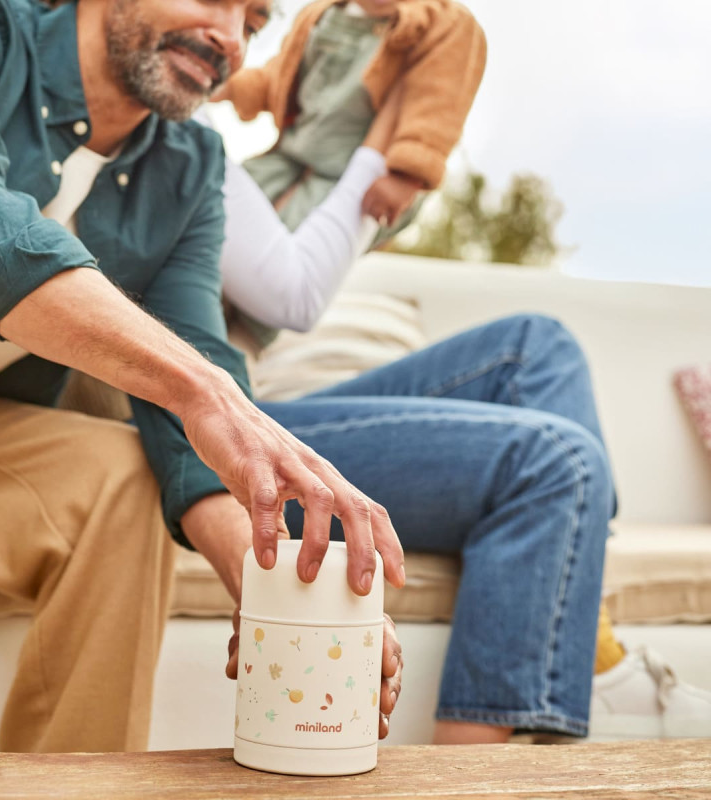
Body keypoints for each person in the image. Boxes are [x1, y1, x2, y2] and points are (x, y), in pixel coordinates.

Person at [0, 0, 407, 753]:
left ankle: (77, 788)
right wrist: (203, 390)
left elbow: (192, 383)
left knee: (123, 478)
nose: (229, 39)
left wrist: (274, 584)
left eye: (255, 22)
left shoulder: (190, 166)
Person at [211, 124, 711, 743]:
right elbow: (292, 296)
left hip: (250, 401)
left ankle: (587, 645)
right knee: (559, 462)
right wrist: (379, 142)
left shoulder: (203, 151)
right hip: (216, 425)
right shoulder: (177, 147)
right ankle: (472, 771)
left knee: (538, 344)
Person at [217, 0, 486, 237]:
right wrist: (228, 86)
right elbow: (277, 78)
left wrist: (406, 177)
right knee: (220, 207)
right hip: (289, 160)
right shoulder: (320, 15)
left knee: (288, 246)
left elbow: (436, 105)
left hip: (356, 180)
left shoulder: (443, 24)